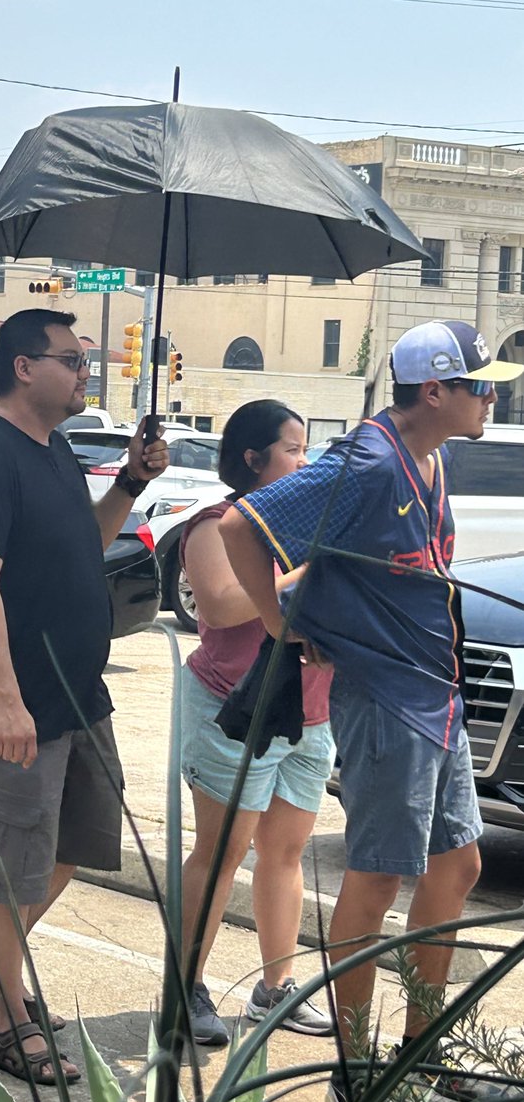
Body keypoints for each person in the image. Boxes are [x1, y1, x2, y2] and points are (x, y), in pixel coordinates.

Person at [218, 321, 523, 1102]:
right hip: (387, 701)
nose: (494, 397)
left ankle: (424, 1050)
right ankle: (357, 1074)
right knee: (378, 875)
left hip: (435, 695)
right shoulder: (368, 461)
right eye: (481, 386)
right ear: (435, 391)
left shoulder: (432, 457)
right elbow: (239, 528)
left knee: (459, 867)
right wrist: (283, 626)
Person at [0, 308, 168, 1085]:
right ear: (23, 367)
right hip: (20, 705)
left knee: (77, 844)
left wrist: (132, 482)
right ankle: (9, 1023)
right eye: (71, 360)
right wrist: (6, 700)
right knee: (11, 867)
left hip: (79, 696)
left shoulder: (57, 450)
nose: (84, 373)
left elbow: (86, 541)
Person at [178, 400, 334, 1046]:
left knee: (285, 851)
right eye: (293, 449)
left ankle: (277, 986)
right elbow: (219, 604)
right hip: (234, 710)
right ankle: (184, 987)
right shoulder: (215, 526)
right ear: (252, 458)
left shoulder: (305, 526)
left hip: (311, 709)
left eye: (306, 447)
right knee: (221, 853)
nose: (305, 460)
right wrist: (308, 574)